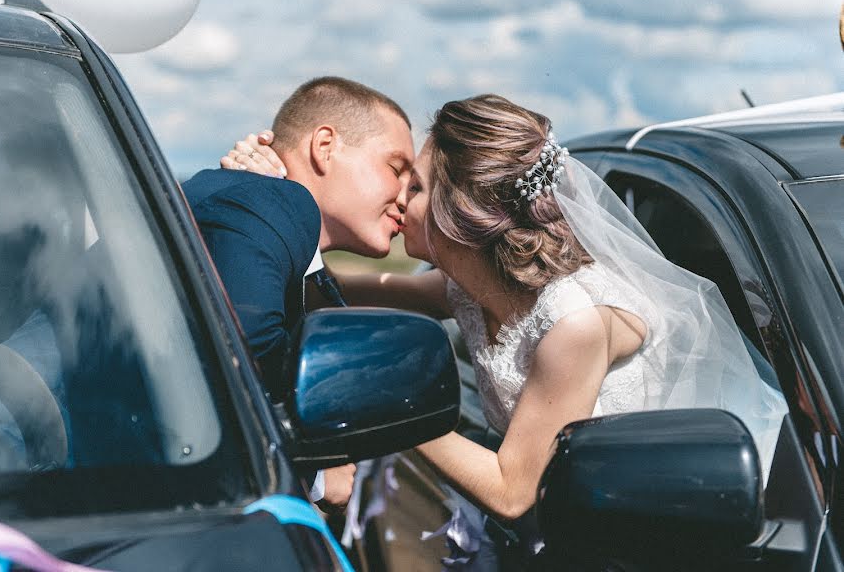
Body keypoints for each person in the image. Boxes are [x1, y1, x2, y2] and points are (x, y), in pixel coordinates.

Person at [226, 94, 788, 552]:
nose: (399, 197)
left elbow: (513, 490)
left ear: (461, 210)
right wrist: (278, 199)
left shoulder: (576, 322)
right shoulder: (467, 290)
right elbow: (344, 288)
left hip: (654, 536)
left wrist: (385, 406)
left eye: (416, 186)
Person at [182, 76, 415, 509]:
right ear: (324, 146)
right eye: (395, 168)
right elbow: (240, 353)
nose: (405, 197)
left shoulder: (262, 210)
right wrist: (314, 472)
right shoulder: (275, 201)